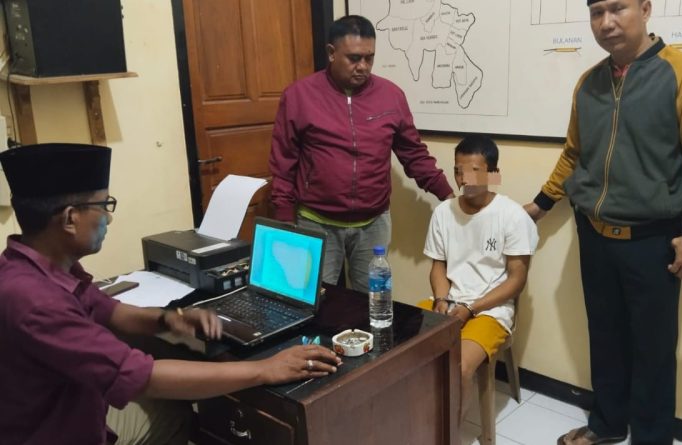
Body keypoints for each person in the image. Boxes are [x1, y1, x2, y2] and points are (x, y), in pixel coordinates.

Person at [0, 143, 342, 445]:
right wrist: (264, 369)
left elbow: (109, 310)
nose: (108, 218)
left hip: (68, 405)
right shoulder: (36, 301)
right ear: (70, 218)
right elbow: (143, 377)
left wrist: (171, 319)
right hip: (53, 431)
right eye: (103, 205)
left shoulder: (36, 268)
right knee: (176, 415)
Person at [524, 0, 682, 443]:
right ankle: (608, 424)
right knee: (605, 337)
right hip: (594, 234)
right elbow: (574, 154)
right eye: (596, 12)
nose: (606, 22)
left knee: (654, 349)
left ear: (646, 8)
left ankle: (651, 438)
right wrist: (539, 205)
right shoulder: (589, 82)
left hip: (654, 240)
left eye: (618, 8)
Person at [269, 15, 454, 294]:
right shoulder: (299, 96)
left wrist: (447, 196)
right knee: (314, 299)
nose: (363, 66)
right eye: (354, 58)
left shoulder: (391, 95)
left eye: (369, 58)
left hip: (373, 224)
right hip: (317, 222)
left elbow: (413, 153)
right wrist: (284, 216)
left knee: (372, 302)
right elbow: (284, 161)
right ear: (332, 53)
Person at [420, 134, 538, 419]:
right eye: (458, 171)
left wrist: (471, 308)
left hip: (490, 310)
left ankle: (448, 432)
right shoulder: (443, 213)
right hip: (449, 302)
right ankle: (418, 422)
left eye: (474, 171)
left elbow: (517, 280)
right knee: (400, 351)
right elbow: (438, 266)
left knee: (457, 366)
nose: (465, 179)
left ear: (493, 174)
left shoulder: (512, 215)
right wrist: (441, 299)